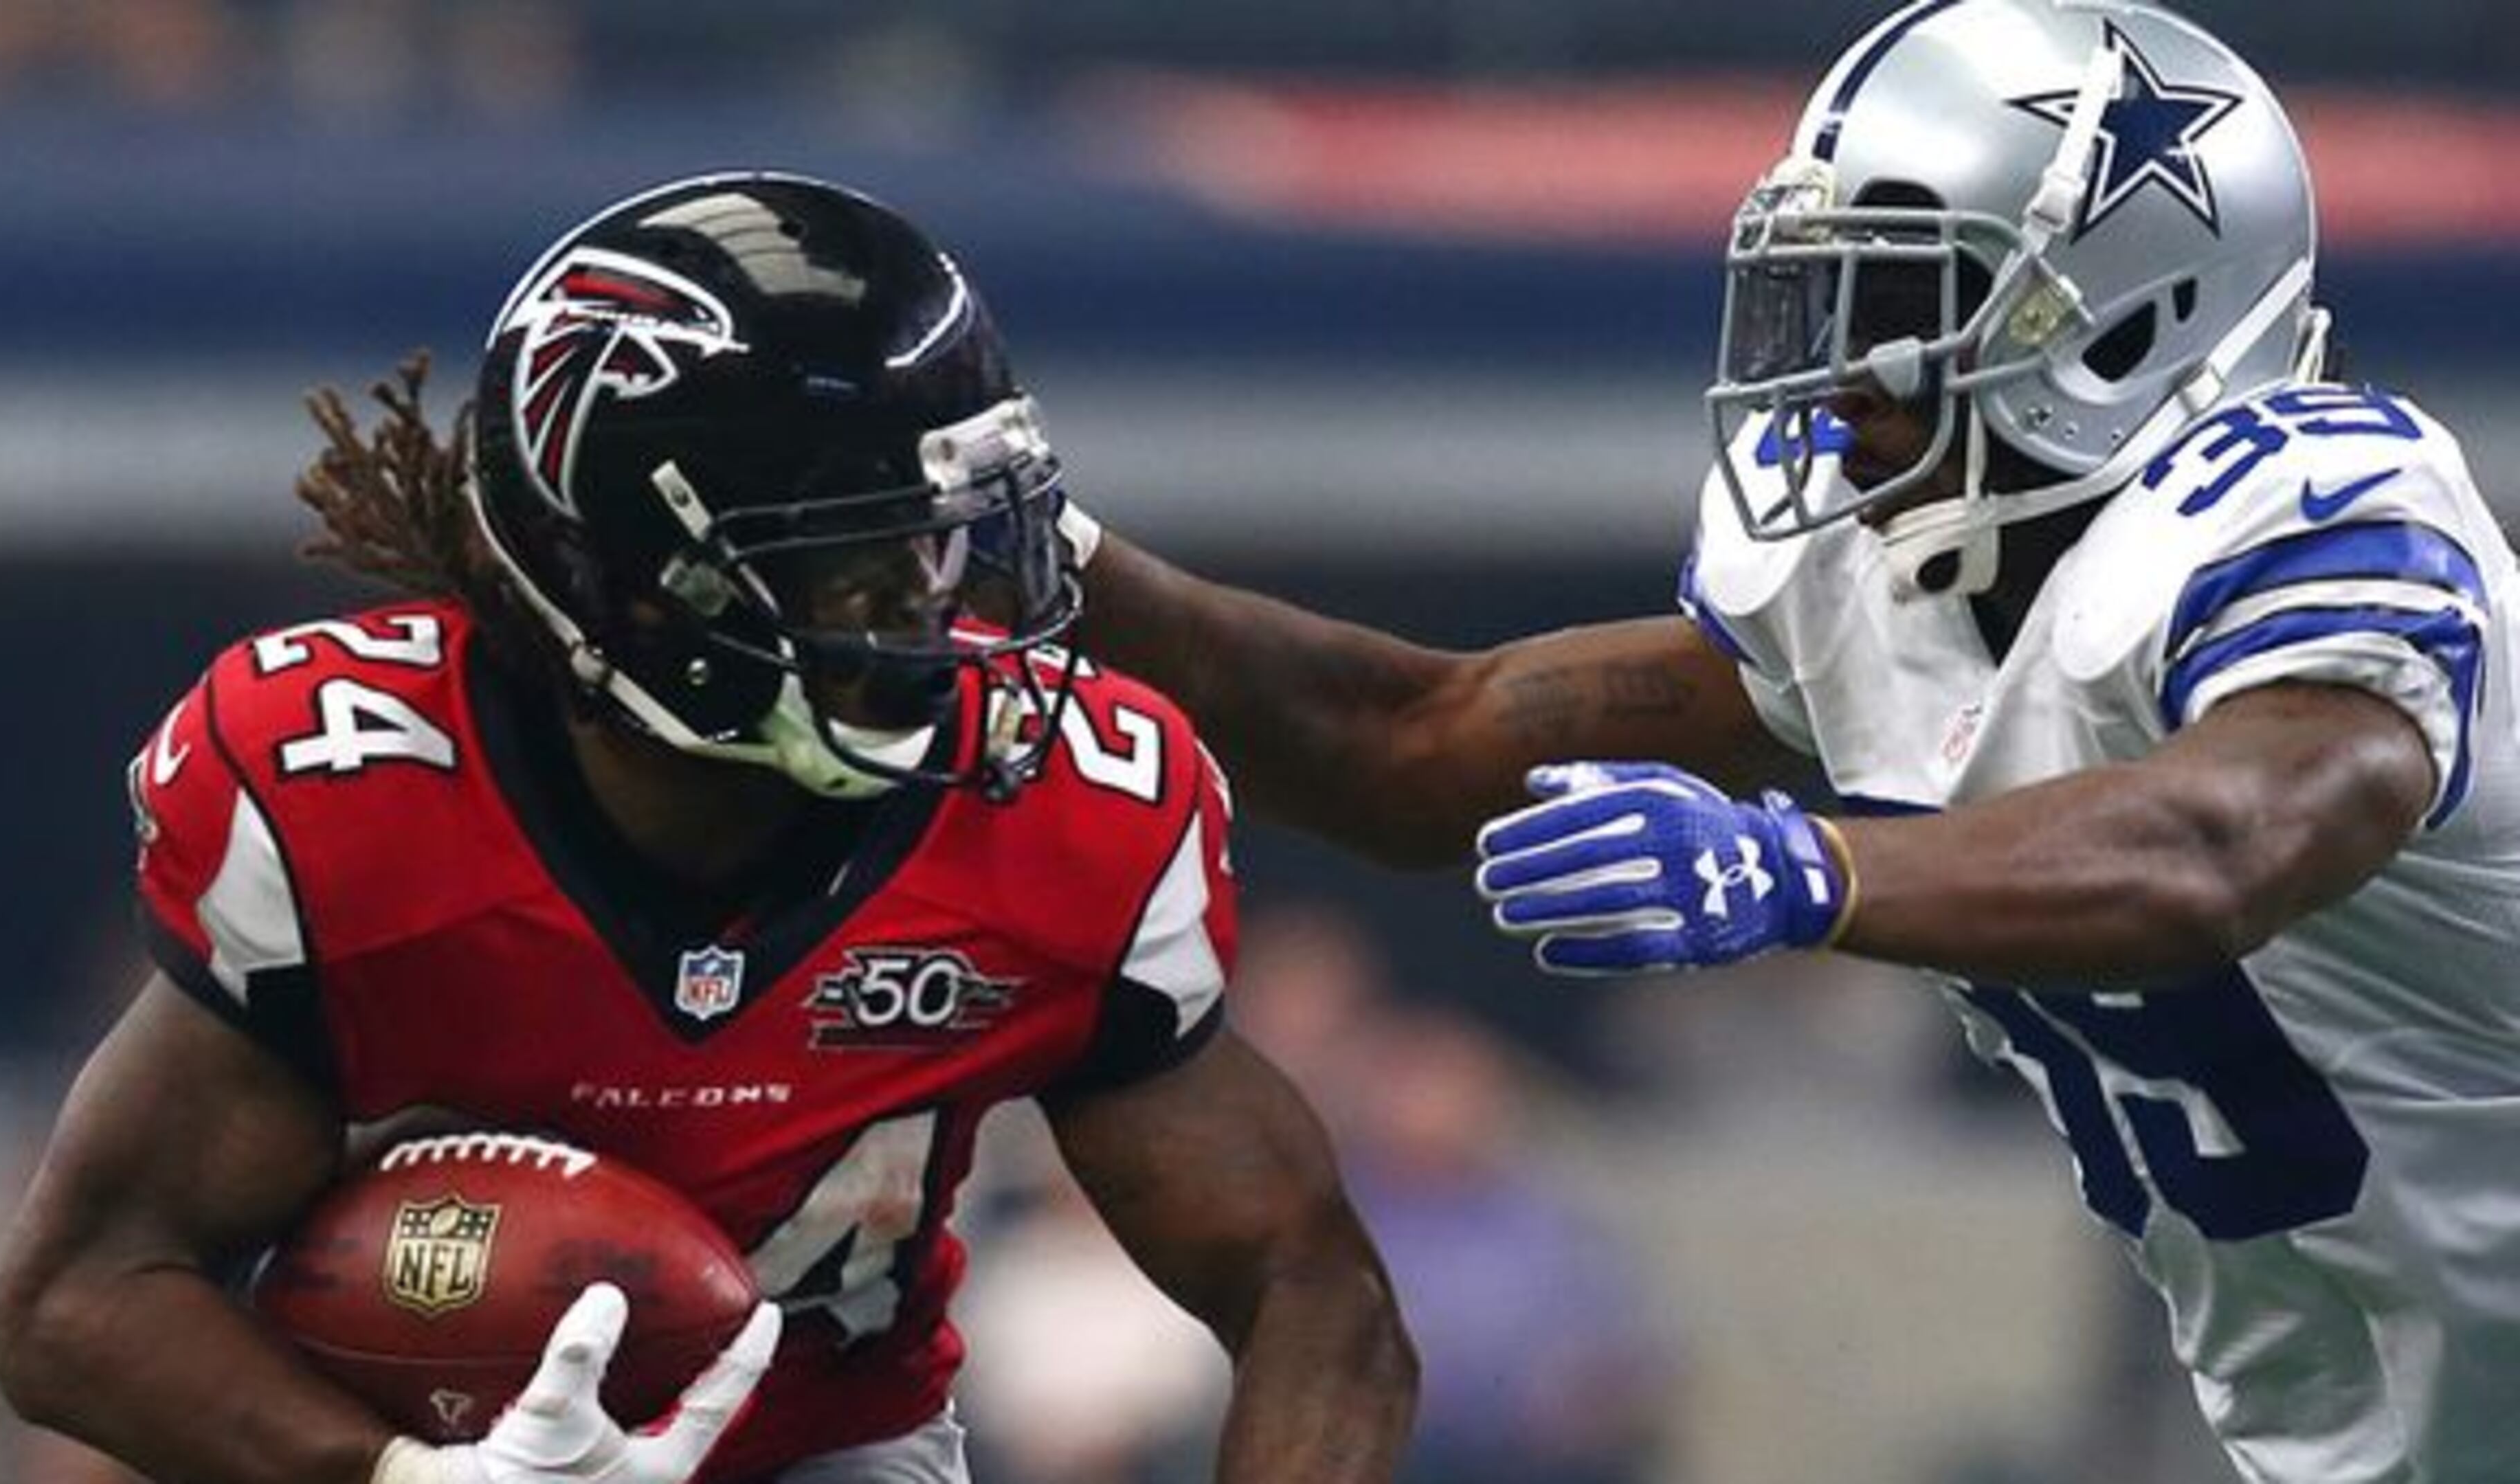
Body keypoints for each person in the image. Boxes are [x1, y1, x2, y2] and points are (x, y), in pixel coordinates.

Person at [1053, 1, 2520, 1479]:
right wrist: (1054, 561)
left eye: (1892, 308)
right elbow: (1416, 747)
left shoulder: (2320, 513)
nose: (1829, 373)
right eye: (1820, 301)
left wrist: (1797, 868)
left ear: (2125, 314)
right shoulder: (1887, 584)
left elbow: (2215, 852)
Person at [0, 170, 1416, 1484]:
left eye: (938, 540)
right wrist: (404, 1480)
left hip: (832, 1449)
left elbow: (1314, 1292)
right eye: (853, 561)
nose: (931, 606)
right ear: (643, 598)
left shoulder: (1059, 812)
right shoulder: (350, 800)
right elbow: (77, 1298)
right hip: (391, 1444)